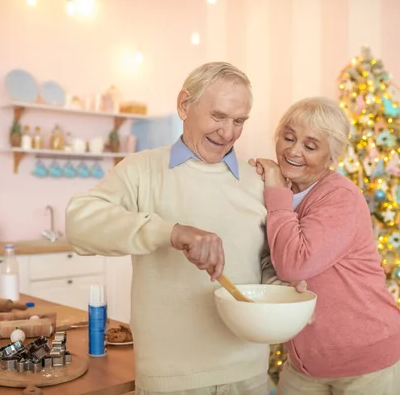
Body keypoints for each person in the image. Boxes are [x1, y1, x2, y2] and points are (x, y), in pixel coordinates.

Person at [65, 62, 270, 394]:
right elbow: (79, 222)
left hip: (250, 375)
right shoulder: (140, 170)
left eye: (239, 121)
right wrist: (171, 232)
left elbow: (269, 263)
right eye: (218, 117)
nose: (228, 132)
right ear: (184, 105)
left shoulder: (258, 180)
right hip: (170, 381)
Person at [250, 97, 400, 395]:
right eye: (289, 137)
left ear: (330, 157)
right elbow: (269, 259)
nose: (293, 150)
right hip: (306, 362)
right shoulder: (281, 190)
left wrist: (276, 193)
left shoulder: (340, 196)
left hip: (365, 362)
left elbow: (295, 264)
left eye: (310, 146)